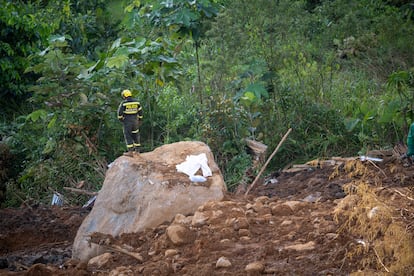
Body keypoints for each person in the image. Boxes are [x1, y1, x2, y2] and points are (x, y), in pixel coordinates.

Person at [117, 89, 143, 155]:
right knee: (135, 135)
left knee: (128, 135)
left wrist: (122, 120)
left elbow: (119, 114)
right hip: (135, 121)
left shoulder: (124, 103)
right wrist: (140, 120)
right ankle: (137, 151)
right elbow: (140, 112)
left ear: (124, 96)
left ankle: (130, 151)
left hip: (127, 121)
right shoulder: (137, 102)